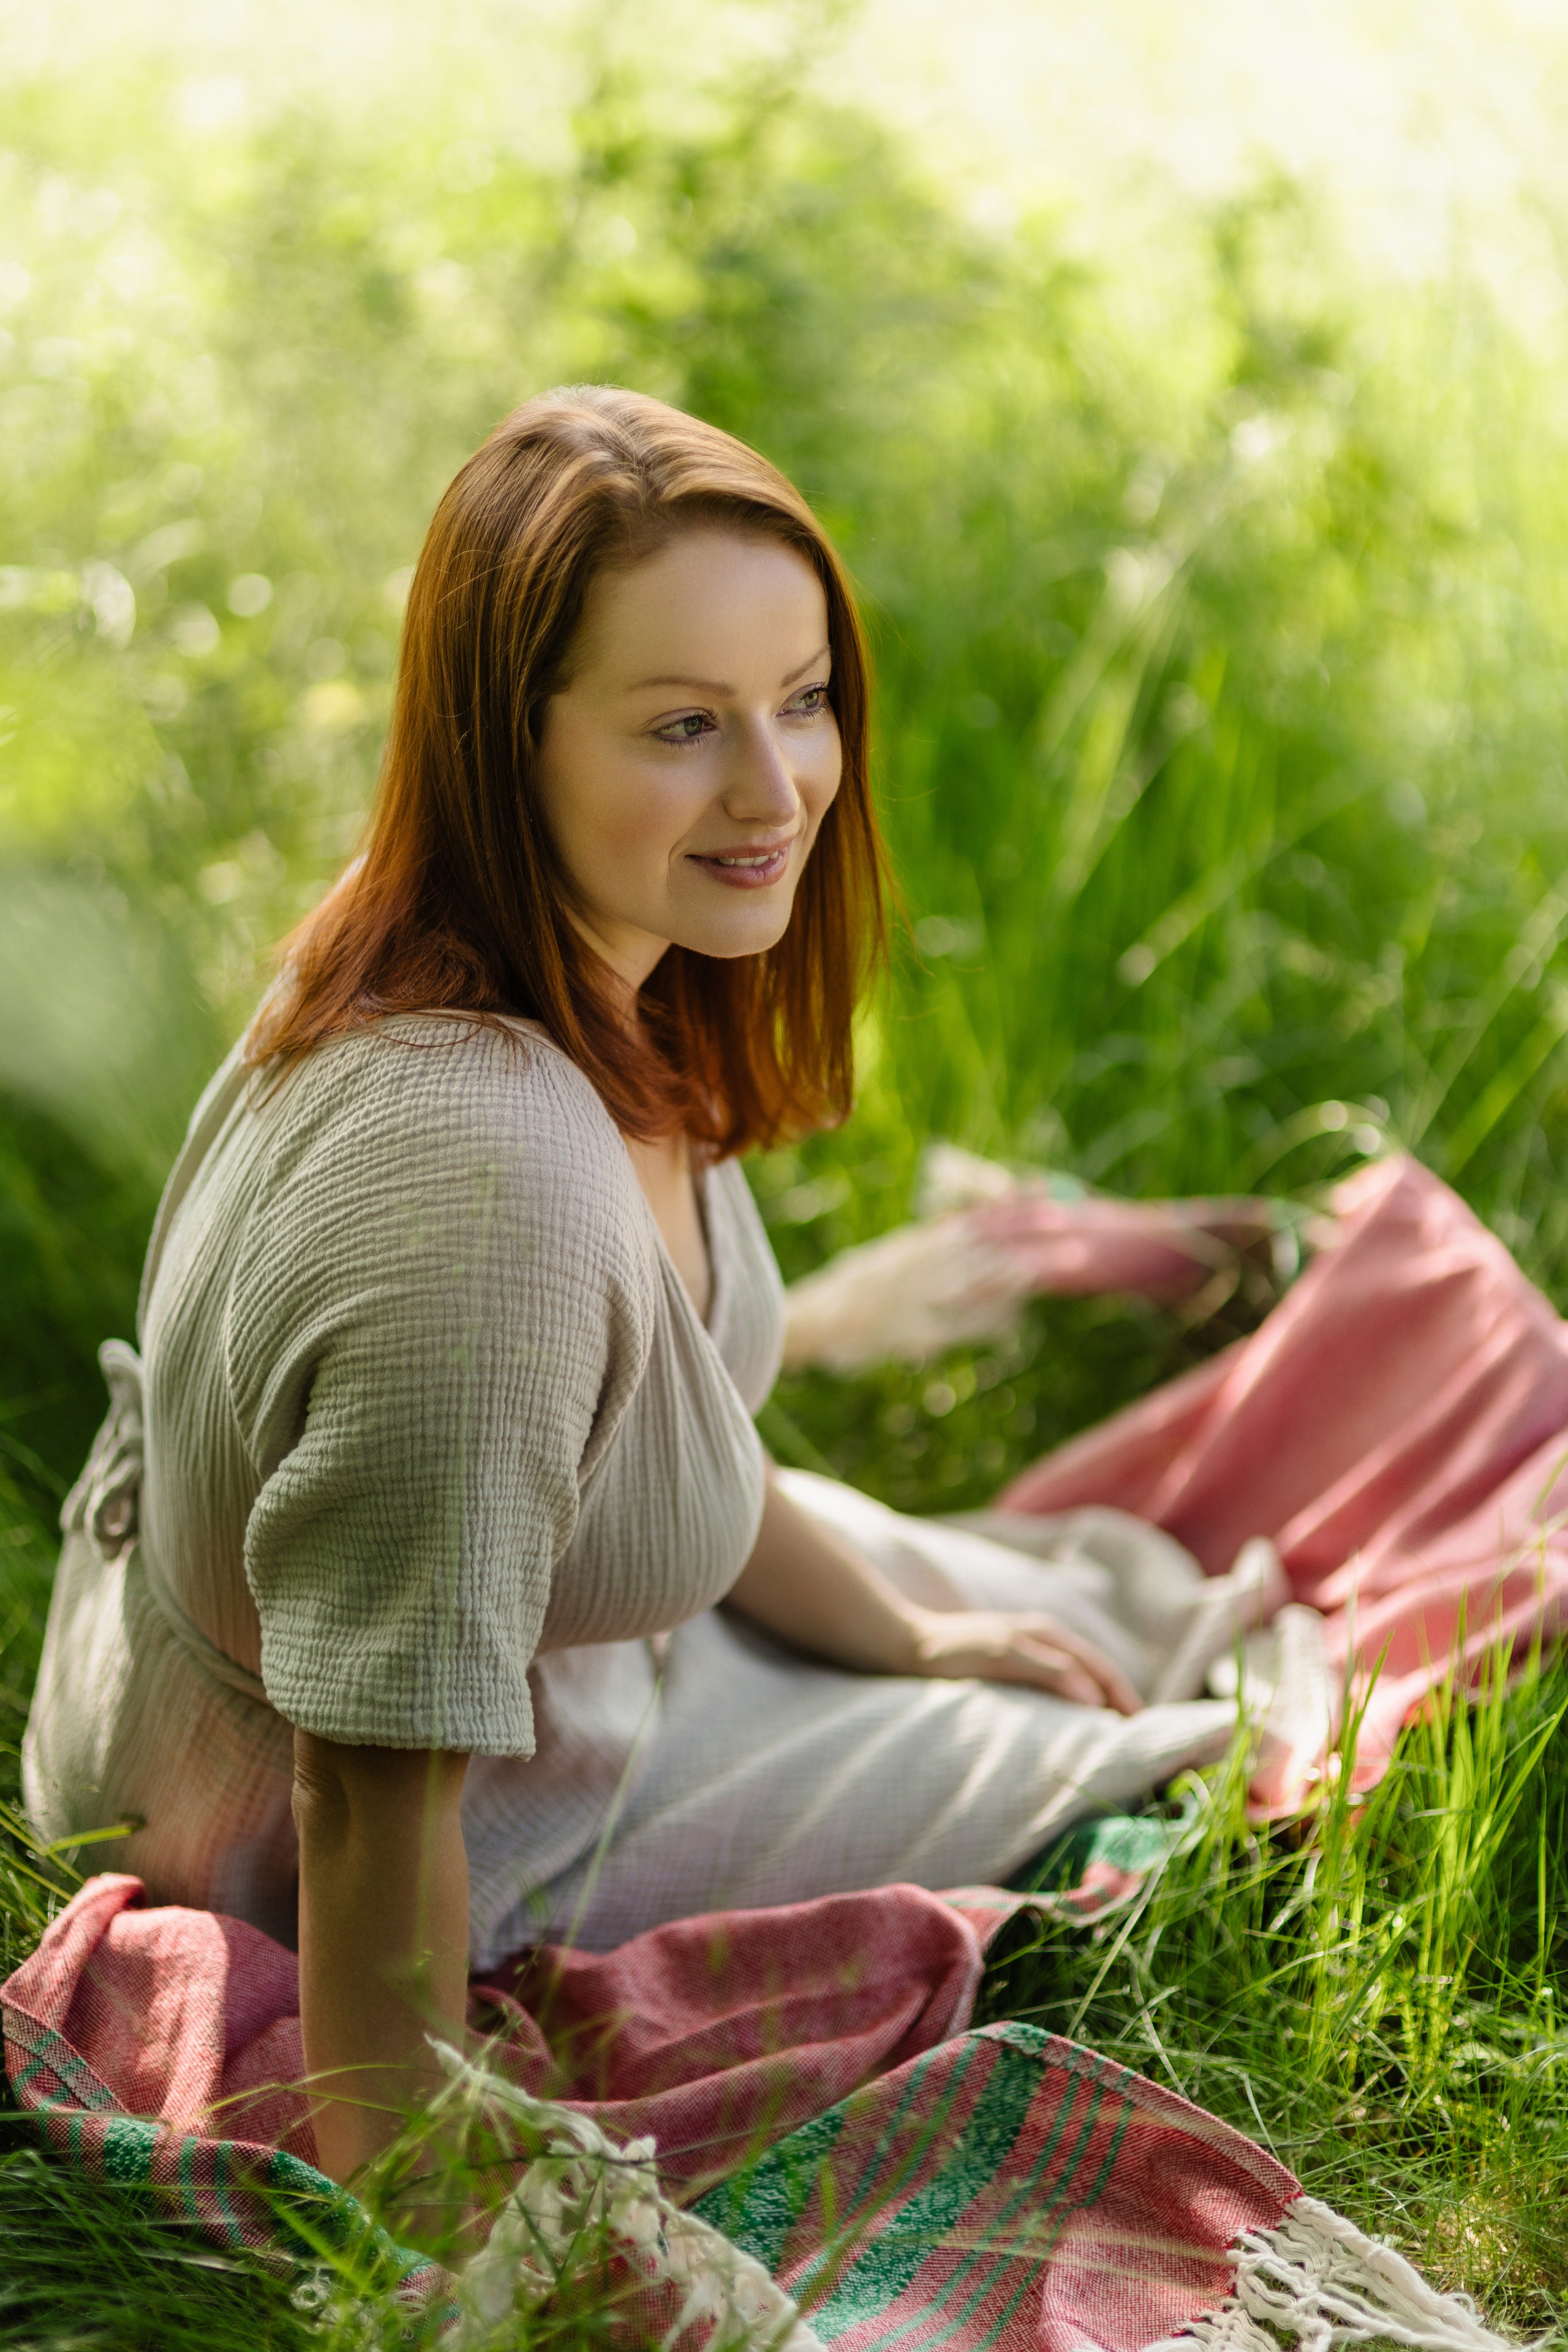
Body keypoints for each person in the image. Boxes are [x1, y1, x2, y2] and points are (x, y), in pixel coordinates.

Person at [22, 388, 1284, 2196]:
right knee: (1153, 1740)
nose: (777, 791)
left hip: (542, 1652)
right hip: (377, 1831)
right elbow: (367, 1790)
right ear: (502, 736)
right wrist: (424, 2200)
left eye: (803, 699)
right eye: (685, 724)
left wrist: (912, 1636)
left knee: (1099, 1604)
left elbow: (642, 1420)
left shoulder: (552, 954)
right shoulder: (474, 1194)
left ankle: (921, 1661)